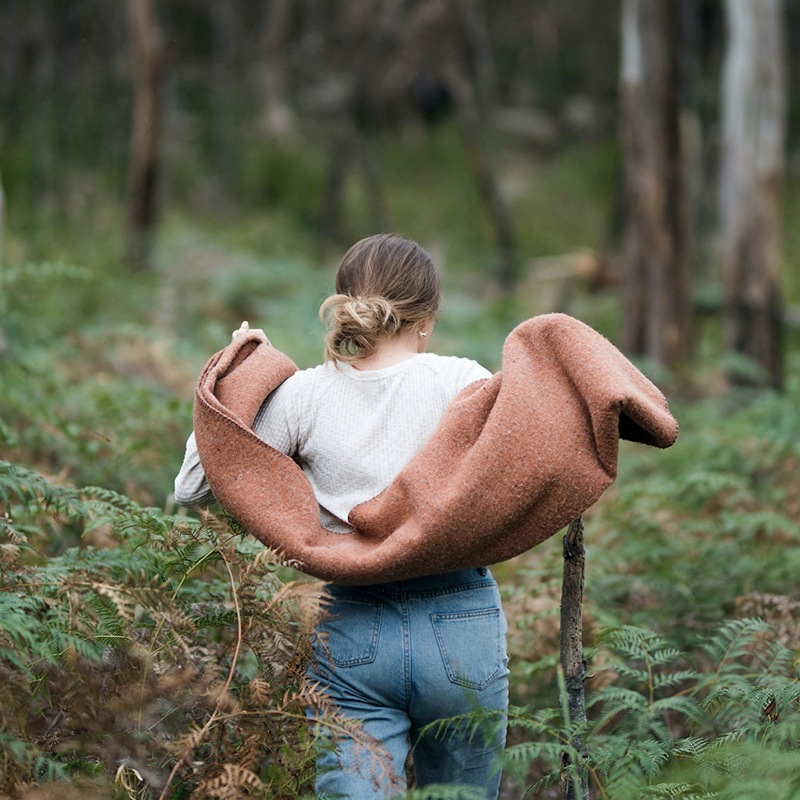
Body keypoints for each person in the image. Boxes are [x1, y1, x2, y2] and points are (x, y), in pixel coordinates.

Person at [174, 233, 509, 799]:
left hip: (355, 629)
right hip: (463, 627)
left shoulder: (303, 396)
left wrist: (241, 375)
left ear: (347, 306)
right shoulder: (463, 382)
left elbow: (193, 487)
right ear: (426, 319)